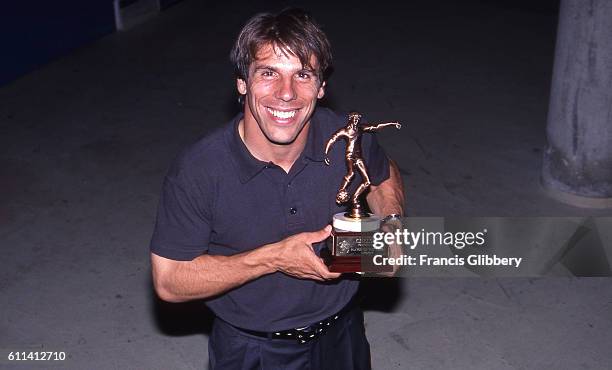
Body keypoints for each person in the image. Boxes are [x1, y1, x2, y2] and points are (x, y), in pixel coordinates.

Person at [150, 7, 404, 370]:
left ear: (321, 87)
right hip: (254, 349)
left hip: (343, 332)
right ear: (242, 83)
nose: (286, 93)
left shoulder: (344, 135)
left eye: (302, 74)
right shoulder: (199, 170)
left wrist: (391, 226)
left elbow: (382, 171)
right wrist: (273, 258)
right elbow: (169, 280)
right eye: (268, 73)